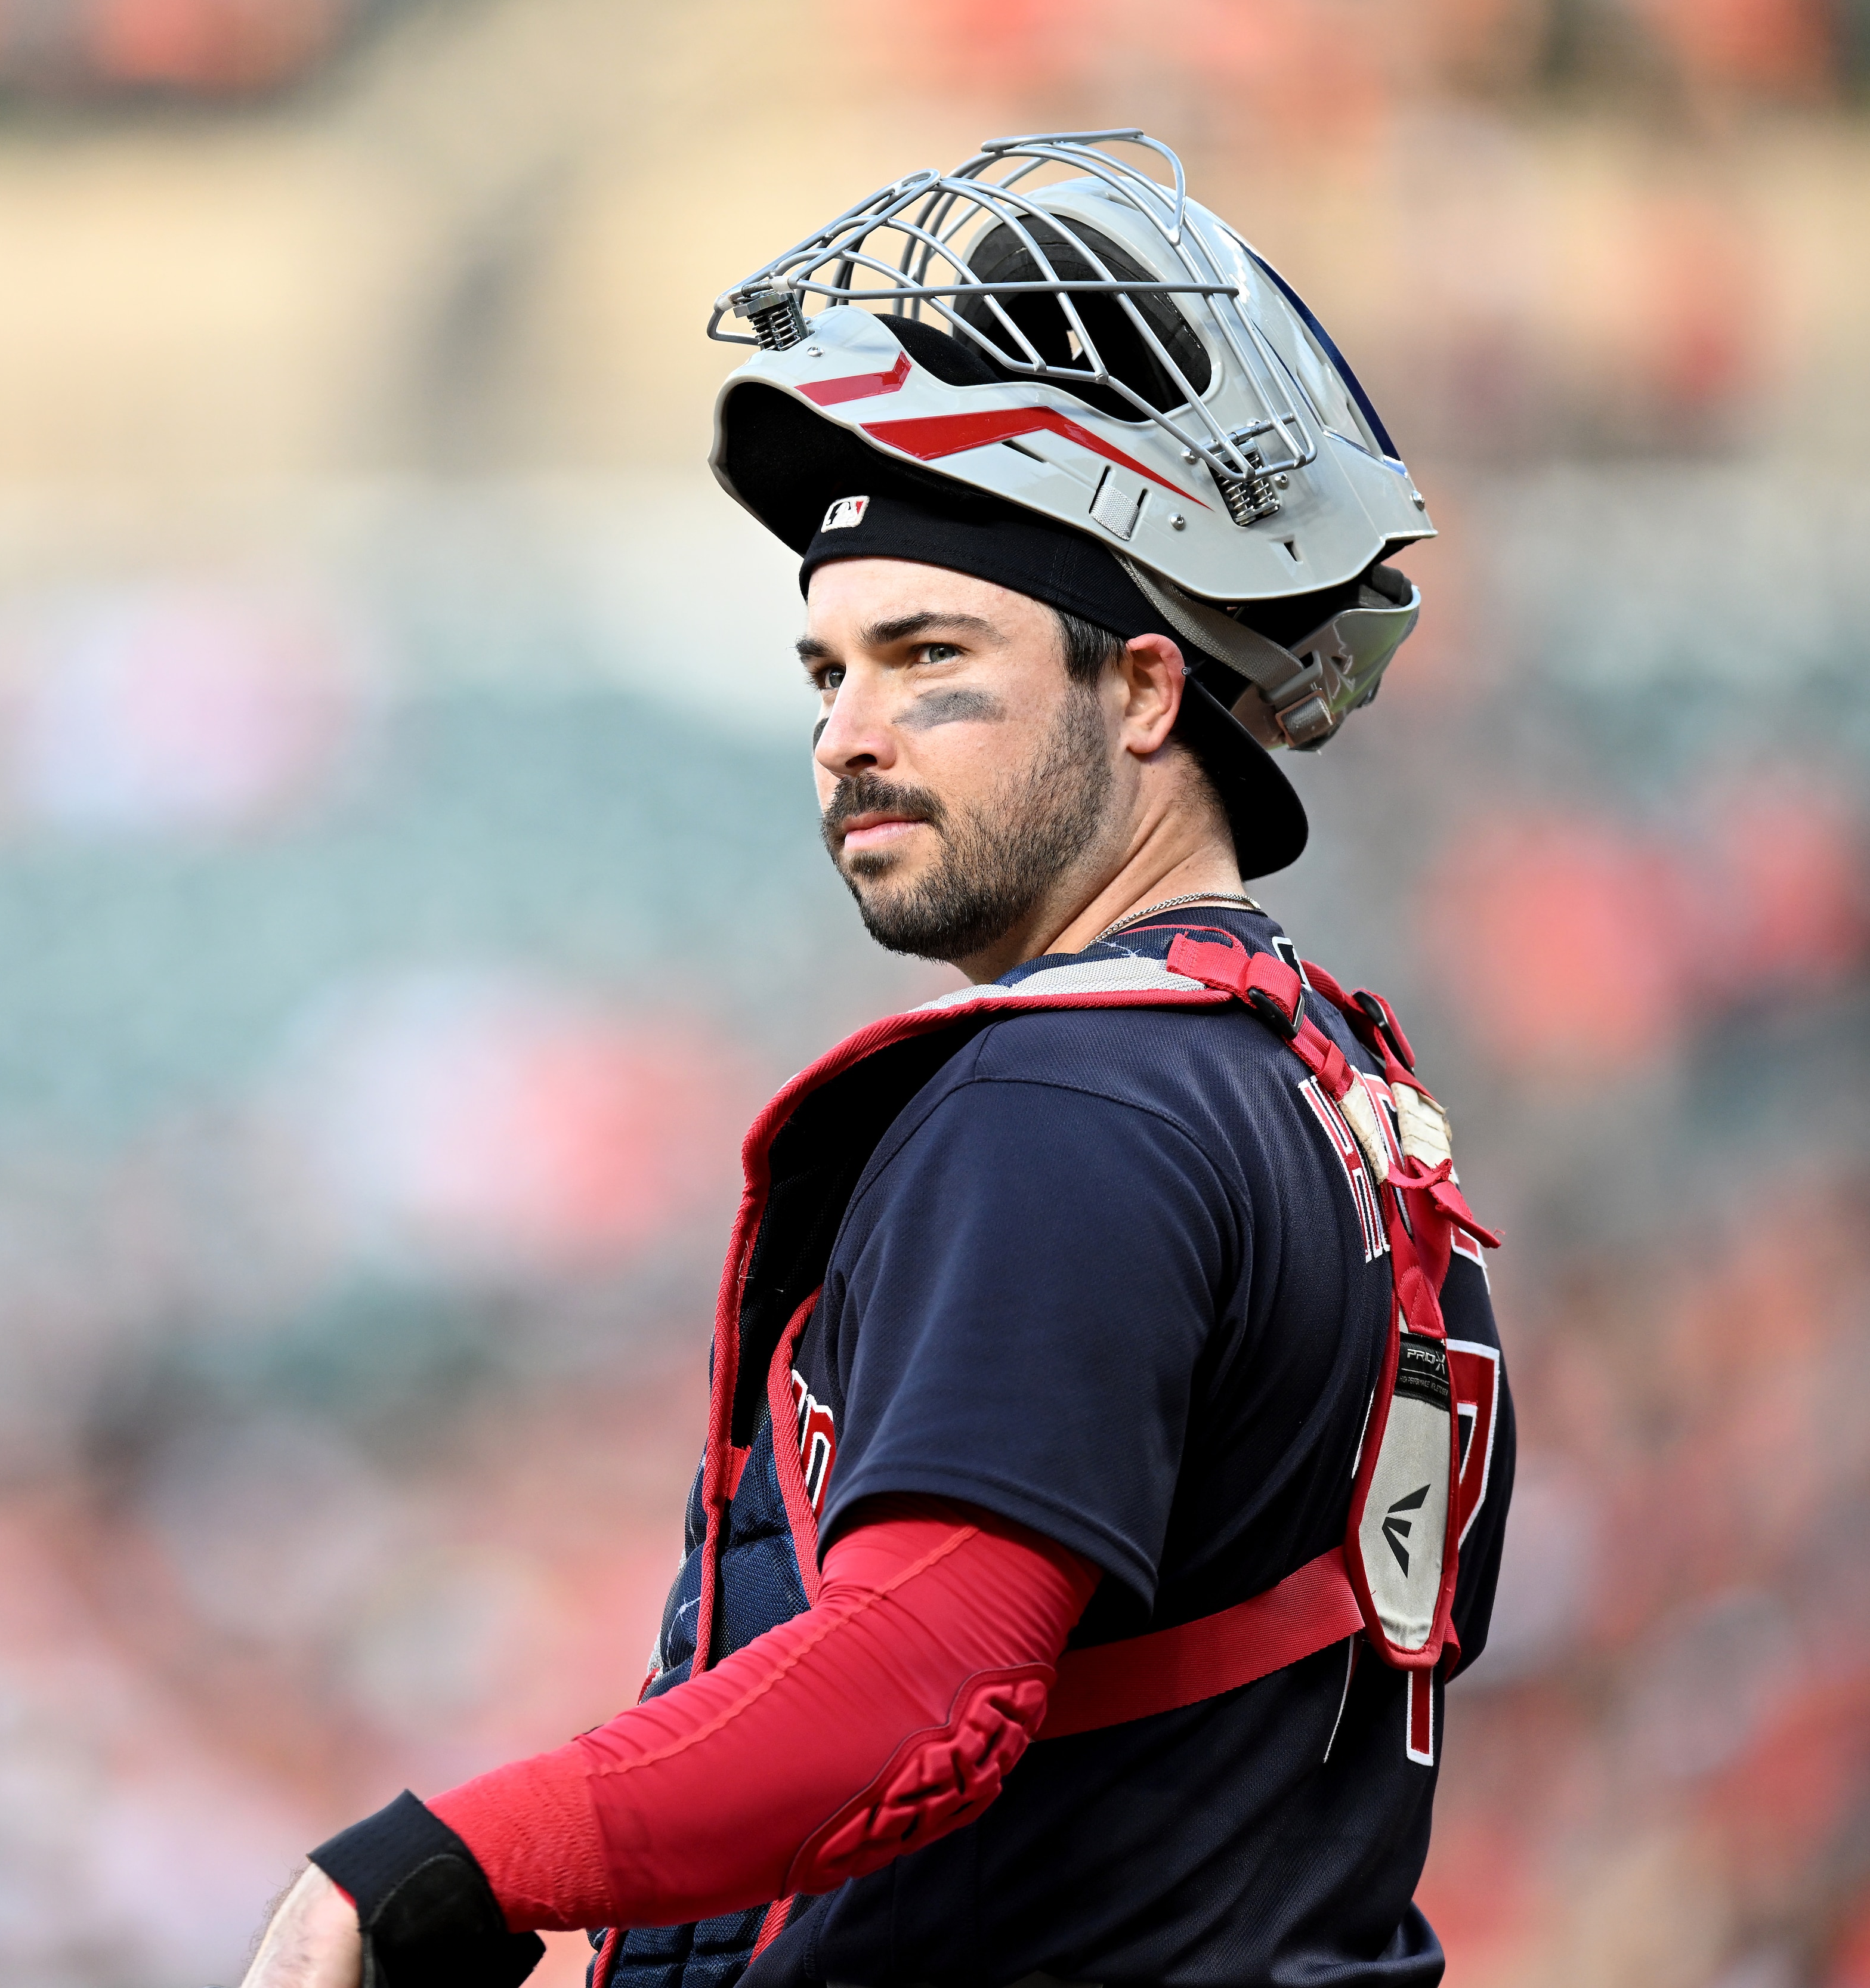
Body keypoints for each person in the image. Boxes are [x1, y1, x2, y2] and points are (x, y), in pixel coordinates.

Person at [238, 132, 1513, 1988]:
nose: (850, 733)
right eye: (827, 673)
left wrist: (437, 1863)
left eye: (930, 656)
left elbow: (924, 1685)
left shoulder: (1069, 1104)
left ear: (1146, 689)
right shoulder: (1322, 1087)